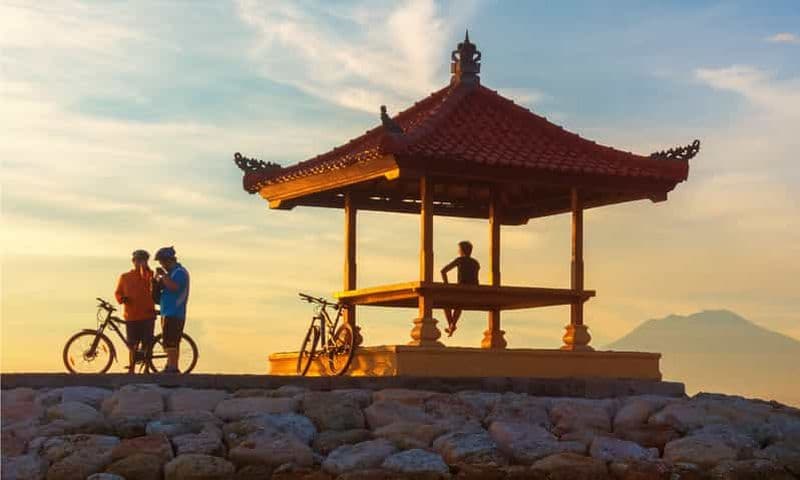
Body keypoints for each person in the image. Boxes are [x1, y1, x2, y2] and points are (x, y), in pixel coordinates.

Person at [114, 249, 157, 374]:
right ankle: (132, 368)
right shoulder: (125, 277)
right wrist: (122, 299)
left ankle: (147, 368)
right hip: (131, 316)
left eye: (143, 260)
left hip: (147, 314)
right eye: (137, 260)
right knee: (132, 344)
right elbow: (118, 292)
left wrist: (145, 268)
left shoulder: (150, 275)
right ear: (133, 261)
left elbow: (150, 280)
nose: (139, 263)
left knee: (147, 343)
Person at [153, 246, 190, 374]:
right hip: (167, 311)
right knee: (169, 341)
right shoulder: (171, 273)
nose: (162, 265)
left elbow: (174, 287)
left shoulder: (180, 272)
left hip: (175, 312)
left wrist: (163, 276)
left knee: (171, 342)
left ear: (168, 260)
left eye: (162, 262)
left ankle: (173, 367)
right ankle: (170, 365)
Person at [440, 240, 480, 337]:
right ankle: (452, 325)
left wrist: (446, 284)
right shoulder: (475, 262)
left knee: (445, 304)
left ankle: (451, 324)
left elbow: (443, 271)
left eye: (459, 249)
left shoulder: (460, 260)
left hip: (462, 289)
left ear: (462, 250)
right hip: (474, 292)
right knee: (459, 304)